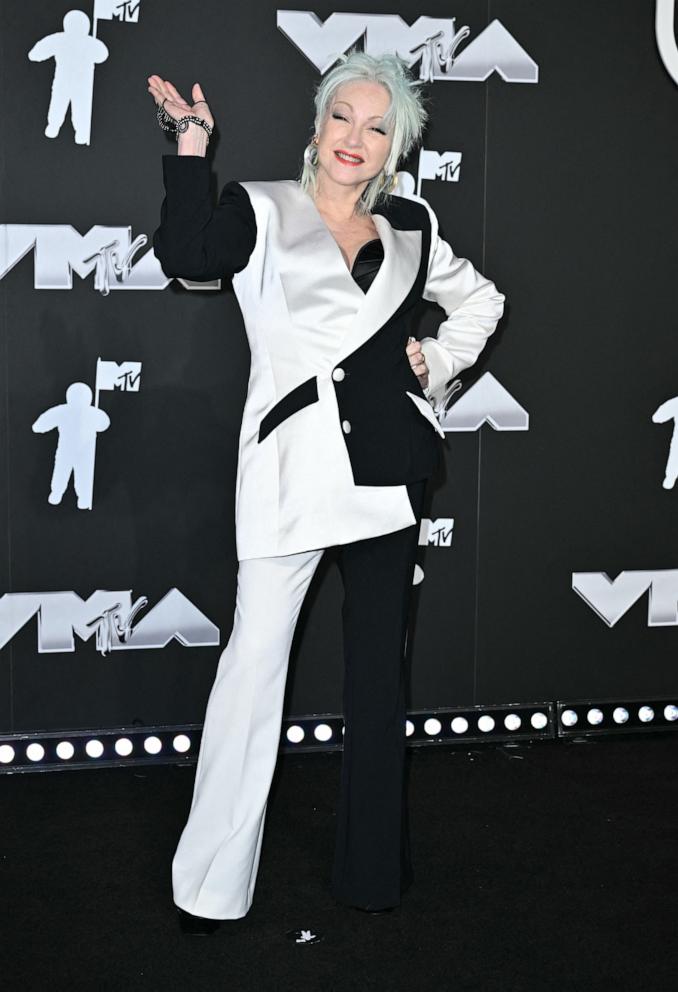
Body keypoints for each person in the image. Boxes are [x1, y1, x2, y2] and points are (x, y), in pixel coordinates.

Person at [148, 50, 505, 934]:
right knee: (250, 675)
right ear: (318, 124)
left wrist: (440, 363)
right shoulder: (263, 209)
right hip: (289, 476)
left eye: (377, 126)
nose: (356, 138)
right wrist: (193, 148)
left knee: (379, 685)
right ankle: (209, 887)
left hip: (386, 478)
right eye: (344, 116)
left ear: (394, 148)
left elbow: (482, 302)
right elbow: (188, 257)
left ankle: (371, 876)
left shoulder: (414, 227)